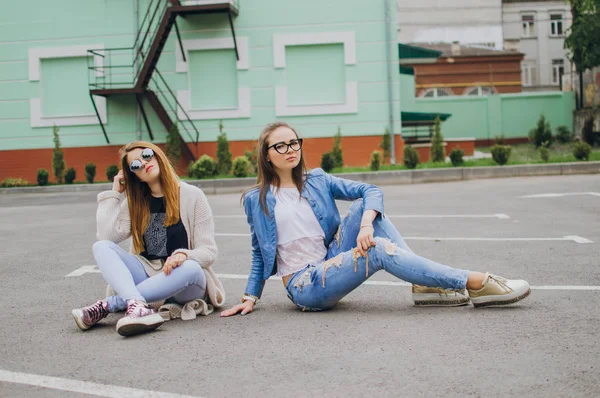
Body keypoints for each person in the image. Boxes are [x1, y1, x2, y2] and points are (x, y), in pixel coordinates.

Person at [221, 122, 530, 316]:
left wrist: (366, 223)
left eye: (294, 142)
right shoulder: (256, 199)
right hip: (306, 284)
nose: (291, 149)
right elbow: (258, 253)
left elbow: (370, 190)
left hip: (330, 258)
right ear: (266, 155)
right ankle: (475, 282)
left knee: (364, 212)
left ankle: (424, 287)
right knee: (377, 249)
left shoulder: (317, 180)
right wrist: (250, 296)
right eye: (281, 145)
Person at [72, 142, 225, 336]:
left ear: (157, 155)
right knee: (101, 246)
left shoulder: (192, 195)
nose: (144, 164)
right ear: (133, 175)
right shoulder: (135, 202)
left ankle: (112, 305)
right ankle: (138, 305)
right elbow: (107, 236)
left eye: (146, 155)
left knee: (191, 267)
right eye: (135, 166)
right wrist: (114, 194)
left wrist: (184, 255)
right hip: (148, 273)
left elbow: (209, 251)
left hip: (185, 282)